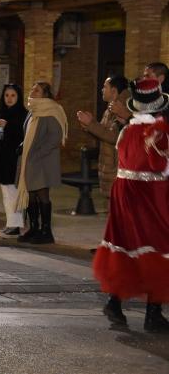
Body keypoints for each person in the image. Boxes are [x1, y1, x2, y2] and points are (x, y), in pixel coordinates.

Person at [93, 78, 169, 332]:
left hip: (123, 193)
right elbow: (161, 167)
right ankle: (153, 314)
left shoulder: (127, 129)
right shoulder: (158, 133)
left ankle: (114, 303)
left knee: (126, 245)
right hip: (150, 195)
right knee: (157, 248)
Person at [16, 81, 68, 244]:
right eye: (32, 88)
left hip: (42, 160)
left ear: (45, 95)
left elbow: (55, 136)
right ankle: (34, 228)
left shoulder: (50, 111)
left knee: (42, 193)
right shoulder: (33, 111)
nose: (32, 91)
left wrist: (38, 152)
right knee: (31, 193)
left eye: (37, 90)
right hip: (30, 159)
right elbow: (28, 133)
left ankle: (46, 231)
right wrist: (24, 145)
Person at [0, 84, 28, 239]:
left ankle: (15, 225)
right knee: (6, 192)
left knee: (13, 192)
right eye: (7, 95)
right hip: (1, 158)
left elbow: (23, 135)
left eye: (13, 95)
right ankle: (11, 224)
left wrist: (8, 126)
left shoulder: (22, 114)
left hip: (14, 159)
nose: (9, 99)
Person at [77, 75, 129, 199]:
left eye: (105, 87)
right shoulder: (110, 109)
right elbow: (103, 133)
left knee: (117, 208)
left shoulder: (121, 108)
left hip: (116, 167)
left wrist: (91, 124)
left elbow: (113, 136)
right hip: (109, 166)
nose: (102, 89)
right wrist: (88, 126)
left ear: (114, 91)